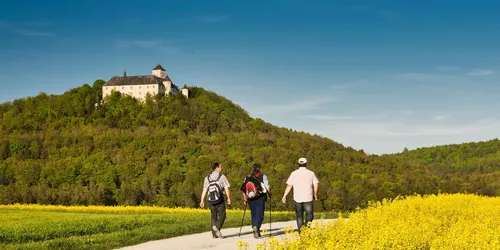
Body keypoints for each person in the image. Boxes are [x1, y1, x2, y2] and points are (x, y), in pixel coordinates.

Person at [281, 157, 319, 233]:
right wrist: (315, 194)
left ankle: (301, 231)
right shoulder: (311, 173)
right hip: (308, 197)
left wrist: (284, 196)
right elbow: (316, 184)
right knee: (310, 215)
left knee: (299, 216)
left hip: (297, 197)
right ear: (306, 164)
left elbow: (289, 186)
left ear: (298, 164)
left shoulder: (294, 173)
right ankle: (305, 228)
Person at [200, 162, 232, 239]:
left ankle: (214, 234)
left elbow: (204, 190)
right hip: (220, 200)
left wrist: (202, 201)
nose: (221, 168)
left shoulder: (207, 178)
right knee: (222, 215)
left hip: (211, 200)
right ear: (217, 168)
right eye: (220, 167)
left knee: (213, 216)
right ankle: (217, 227)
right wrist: (228, 198)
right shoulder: (222, 177)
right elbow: (226, 188)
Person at [240, 163, 270, 238]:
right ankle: (256, 227)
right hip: (260, 197)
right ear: (260, 168)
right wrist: (270, 194)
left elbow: (243, 189)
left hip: (250, 198)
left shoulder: (248, 177)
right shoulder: (263, 176)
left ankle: (255, 229)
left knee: (253, 214)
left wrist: (245, 198)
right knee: (260, 215)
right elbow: (267, 187)